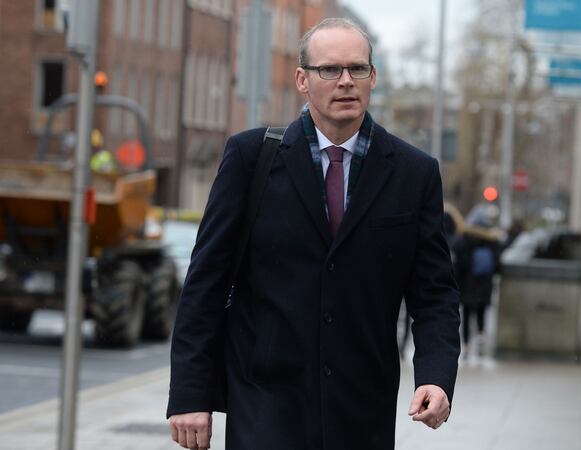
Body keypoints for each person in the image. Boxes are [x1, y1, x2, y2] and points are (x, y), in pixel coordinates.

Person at [167, 18, 461, 450]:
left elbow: (434, 292)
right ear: (303, 80)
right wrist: (191, 395)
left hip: (362, 410)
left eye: (357, 69)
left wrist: (435, 375)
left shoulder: (413, 173)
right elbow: (205, 284)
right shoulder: (251, 159)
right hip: (266, 404)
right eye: (330, 70)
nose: (345, 81)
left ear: (373, 78)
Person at [454, 209, 501, 360]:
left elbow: (458, 265)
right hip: (484, 285)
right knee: (481, 314)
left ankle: (466, 347)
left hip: (467, 284)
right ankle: (481, 339)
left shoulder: (464, 240)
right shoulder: (492, 241)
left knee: (466, 316)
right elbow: (497, 266)